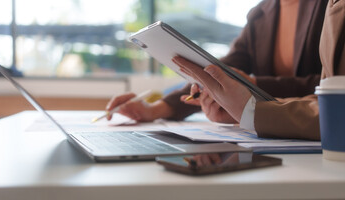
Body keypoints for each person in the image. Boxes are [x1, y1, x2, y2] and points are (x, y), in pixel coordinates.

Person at [152, 0, 345, 200]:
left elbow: (325, 88)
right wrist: (160, 107)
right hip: (286, 145)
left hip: (319, 166)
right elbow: (219, 70)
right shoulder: (262, 12)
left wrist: (250, 97)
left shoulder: (327, 6)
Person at [106, 0, 327, 124]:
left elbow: (334, 83)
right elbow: (217, 71)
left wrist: (250, 86)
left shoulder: (332, 7)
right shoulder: (261, 13)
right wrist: (155, 109)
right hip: (268, 137)